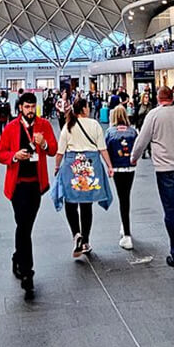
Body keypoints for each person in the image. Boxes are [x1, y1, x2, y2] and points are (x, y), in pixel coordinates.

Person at [130, 87, 174, 270]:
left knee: (170, 210)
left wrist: (134, 157)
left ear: (158, 98)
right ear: (172, 97)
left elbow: (142, 139)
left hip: (165, 168)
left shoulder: (153, 115)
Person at [0, 92, 56, 300]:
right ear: (20, 107)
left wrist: (44, 143)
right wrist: (14, 156)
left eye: (33, 107)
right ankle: (27, 273)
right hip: (17, 186)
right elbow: (0, 153)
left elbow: (53, 149)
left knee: (25, 226)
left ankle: (18, 257)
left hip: (36, 186)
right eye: (27, 107)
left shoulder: (44, 126)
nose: (30, 111)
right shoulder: (12, 128)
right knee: (23, 225)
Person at [53, 98, 113, 258]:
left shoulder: (68, 126)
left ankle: (76, 234)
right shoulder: (94, 124)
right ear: (85, 109)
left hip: (72, 166)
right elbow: (102, 148)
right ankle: (85, 240)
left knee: (70, 202)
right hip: (91, 165)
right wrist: (109, 166)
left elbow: (60, 152)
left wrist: (57, 167)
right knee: (86, 205)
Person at [105, 105, 138, 250]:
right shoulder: (132, 131)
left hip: (117, 167)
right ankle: (124, 226)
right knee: (126, 197)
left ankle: (126, 234)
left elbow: (106, 149)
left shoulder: (110, 132)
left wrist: (109, 166)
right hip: (130, 167)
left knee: (122, 197)